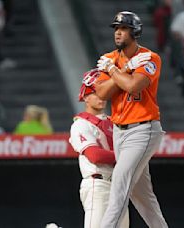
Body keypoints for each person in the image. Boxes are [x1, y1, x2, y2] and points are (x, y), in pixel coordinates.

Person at [94, 11, 168, 228]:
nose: (118, 33)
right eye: (116, 28)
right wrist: (123, 69)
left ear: (135, 31)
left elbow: (134, 85)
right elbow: (101, 92)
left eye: (123, 28)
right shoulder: (110, 59)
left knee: (119, 185)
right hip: (119, 130)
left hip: (143, 129)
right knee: (143, 197)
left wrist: (116, 72)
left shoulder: (150, 57)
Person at [69, 69, 129, 228]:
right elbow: (95, 155)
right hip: (98, 184)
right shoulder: (80, 124)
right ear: (86, 97)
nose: (101, 96)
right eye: (95, 92)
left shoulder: (114, 123)